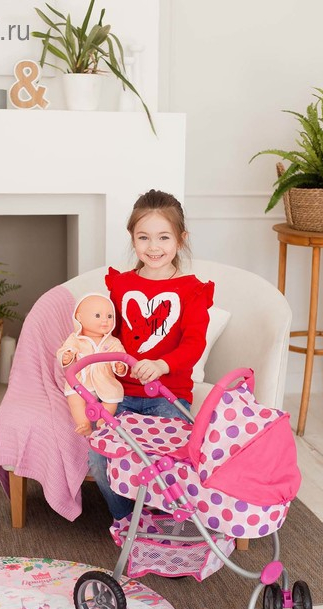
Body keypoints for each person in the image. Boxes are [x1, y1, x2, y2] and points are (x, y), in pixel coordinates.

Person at [89, 189, 214, 519]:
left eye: (163, 237)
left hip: (168, 397)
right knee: (100, 462)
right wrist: (102, 347)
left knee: (167, 469)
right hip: (119, 396)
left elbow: (194, 344)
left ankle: (157, 522)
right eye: (144, 237)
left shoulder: (193, 291)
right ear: (132, 238)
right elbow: (110, 333)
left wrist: (161, 364)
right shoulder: (120, 285)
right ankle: (129, 522)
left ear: (181, 239)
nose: (153, 247)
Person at [57, 293, 128, 436]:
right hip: (81, 381)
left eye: (110, 316)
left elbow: (121, 356)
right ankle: (84, 424)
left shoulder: (112, 342)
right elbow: (65, 349)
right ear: (79, 318)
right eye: (97, 315)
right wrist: (66, 356)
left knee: (112, 399)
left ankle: (103, 424)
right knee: (75, 399)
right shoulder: (76, 339)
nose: (105, 320)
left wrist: (119, 366)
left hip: (105, 380)